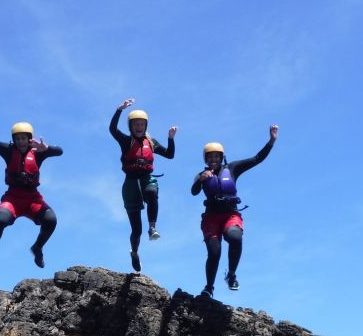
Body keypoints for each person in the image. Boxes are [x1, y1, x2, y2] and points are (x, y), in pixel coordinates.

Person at [191, 125, 278, 297]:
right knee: (214, 253)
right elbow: (193, 191)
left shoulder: (232, 168)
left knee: (235, 238)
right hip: (211, 218)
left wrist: (271, 141)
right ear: (206, 159)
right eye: (210, 157)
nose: (214, 159)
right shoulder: (201, 174)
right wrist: (201, 180)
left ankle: (231, 275)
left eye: (217, 156)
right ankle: (209, 287)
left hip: (230, 215)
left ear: (222, 157)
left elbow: (256, 159)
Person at [0, 111, 62, 269]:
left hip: (33, 198)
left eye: (24, 138)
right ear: (14, 140)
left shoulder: (38, 153)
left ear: (29, 139)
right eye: (18, 139)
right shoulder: (8, 151)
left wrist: (47, 149)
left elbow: (59, 151)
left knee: (51, 220)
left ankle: (37, 248)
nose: (21, 142)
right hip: (13, 197)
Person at [109, 98, 177, 272]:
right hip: (131, 184)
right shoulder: (126, 141)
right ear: (131, 126)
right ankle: (134, 252)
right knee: (136, 230)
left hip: (146, 178)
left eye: (142, 124)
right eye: (136, 125)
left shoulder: (151, 142)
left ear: (145, 126)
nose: (139, 127)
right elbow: (112, 129)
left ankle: (152, 227)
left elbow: (170, 155)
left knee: (152, 193)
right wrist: (119, 110)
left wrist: (170, 138)